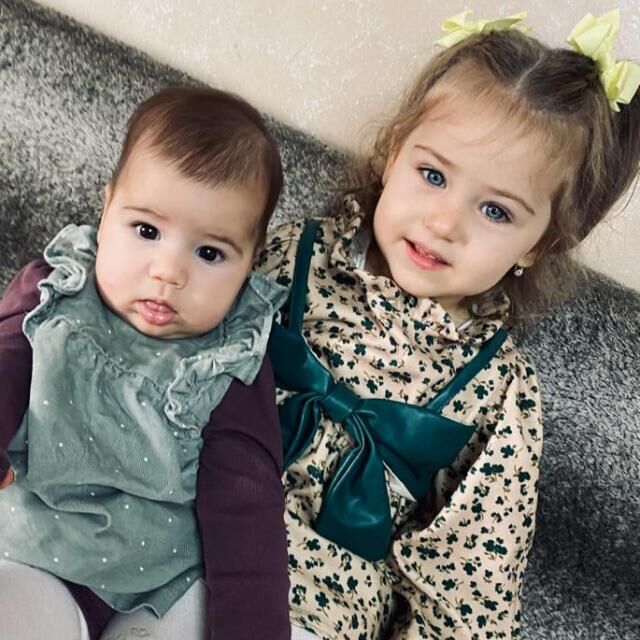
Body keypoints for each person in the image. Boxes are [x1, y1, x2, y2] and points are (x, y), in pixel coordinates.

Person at [255, 9, 640, 639]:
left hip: (315, 611)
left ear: (537, 245)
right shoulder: (294, 255)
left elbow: (466, 599)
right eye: (432, 175)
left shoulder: (499, 393)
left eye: (495, 211)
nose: (443, 222)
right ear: (392, 153)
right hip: (188, 532)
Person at [0, 86, 292, 640]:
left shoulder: (228, 364)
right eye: (147, 231)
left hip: (160, 582)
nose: (169, 271)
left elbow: (249, 519)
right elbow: (4, 370)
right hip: (40, 548)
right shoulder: (56, 294)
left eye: (210, 253)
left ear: (250, 262)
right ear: (107, 208)